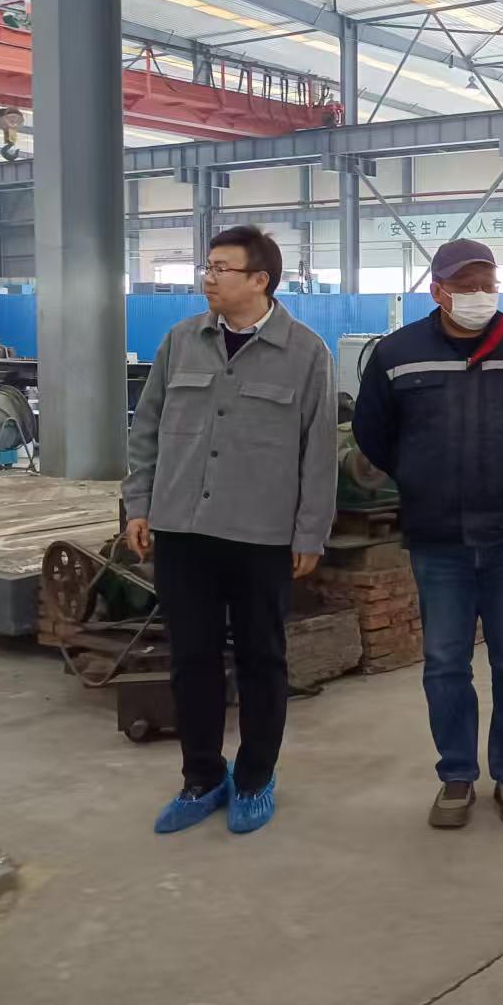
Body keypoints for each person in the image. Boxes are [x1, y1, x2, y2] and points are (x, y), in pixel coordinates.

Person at [352, 239, 503, 829]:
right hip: (438, 536)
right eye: (465, 285)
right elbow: (374, 433)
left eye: (487, 284)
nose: (479, 294)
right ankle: (456, 775)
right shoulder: (398, 353)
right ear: (438, 291)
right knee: (446, 662)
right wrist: (421, 475)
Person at [124, 225, 337, 836]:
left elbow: (319, 453)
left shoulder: (306, 353)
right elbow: (146, 428)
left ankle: (255, 777)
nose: (208, 278)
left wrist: (310, 533)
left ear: (260, 279)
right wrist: (138, 504)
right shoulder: (180, 342)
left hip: (260, 535)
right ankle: (201, 777)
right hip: (182, 529)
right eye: (208, 267)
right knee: (190, 659)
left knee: (261, 659)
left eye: (222, 268)